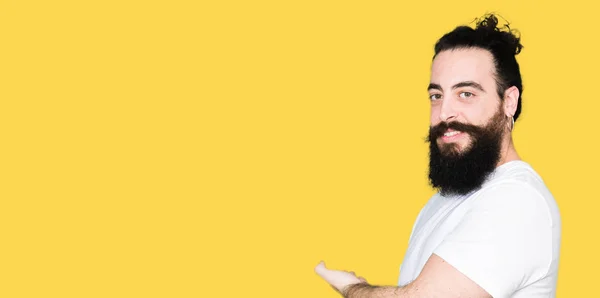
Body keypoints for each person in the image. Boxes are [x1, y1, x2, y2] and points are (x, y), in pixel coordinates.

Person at [315, 13, 561, 298]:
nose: (444, 113)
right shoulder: (449, 198)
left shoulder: (518, 200)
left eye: (466, 94)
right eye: (436, 95)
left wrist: (351, 287)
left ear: (509, 101)